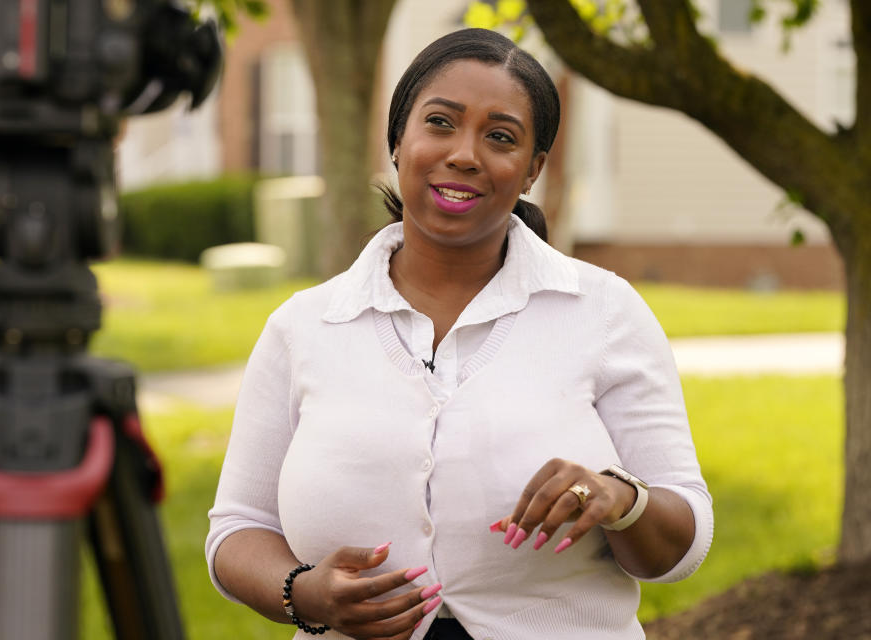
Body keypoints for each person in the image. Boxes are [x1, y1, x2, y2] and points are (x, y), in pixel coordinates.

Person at [206, 28, 713, 640]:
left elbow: (680, 542)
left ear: (532, 170)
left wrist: (619, 500)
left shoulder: (604, 312)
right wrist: (305, 593)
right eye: (440, 123)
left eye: (501, 137)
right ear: (398, 141)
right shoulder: (305, 326)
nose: (465, 154)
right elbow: (237, 527)